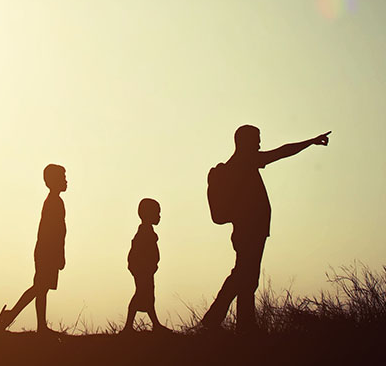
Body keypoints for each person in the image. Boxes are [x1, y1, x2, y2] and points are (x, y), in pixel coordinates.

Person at [200, 125, 330, 332]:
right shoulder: (245, 162)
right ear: (244, 142)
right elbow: (281, 152)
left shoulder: (239, 165)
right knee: (243, 275)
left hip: (249, 230)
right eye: (256, 139)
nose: (260, 144)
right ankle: (216, 318)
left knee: (247, 278)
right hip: (249, 230)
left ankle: (244, 326)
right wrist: (310, 142)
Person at [0, 164, 67, 333]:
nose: (66, 181)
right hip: (47, 251)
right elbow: (52, 232)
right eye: (63, 177)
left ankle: (39, 325)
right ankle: (11, 315)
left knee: (41, 289)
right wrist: (58, 254)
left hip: (46, 250)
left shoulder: (55, 201)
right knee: (39, 288)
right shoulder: (53, 202)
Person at [121, 198, 170, 333]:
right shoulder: (144, 233)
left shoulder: (147, 232)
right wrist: (144, 267)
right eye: (157, 213)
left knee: (147, 296)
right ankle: (129, 326)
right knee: (141, 294)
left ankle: (155, 324)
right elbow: (137, 254)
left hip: (146, 270)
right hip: (142, 270)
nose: (159, 216)